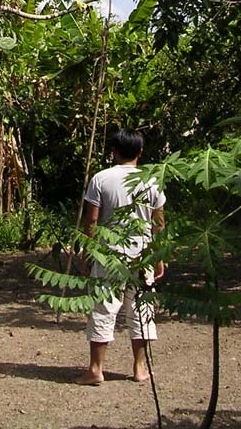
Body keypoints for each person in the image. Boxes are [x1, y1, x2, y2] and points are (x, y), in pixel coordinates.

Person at [76, 128, 166, 386]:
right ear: (140, 152)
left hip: (108, 254)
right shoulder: (152, 180)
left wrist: (87, 252)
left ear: (114, 152)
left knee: (103, 309)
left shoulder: (100, 179)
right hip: (143, 254)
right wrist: (159, 253)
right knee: (141, 309)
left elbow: (92, 220)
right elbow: (158, 222)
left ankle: (96, 369)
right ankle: (139, 368)